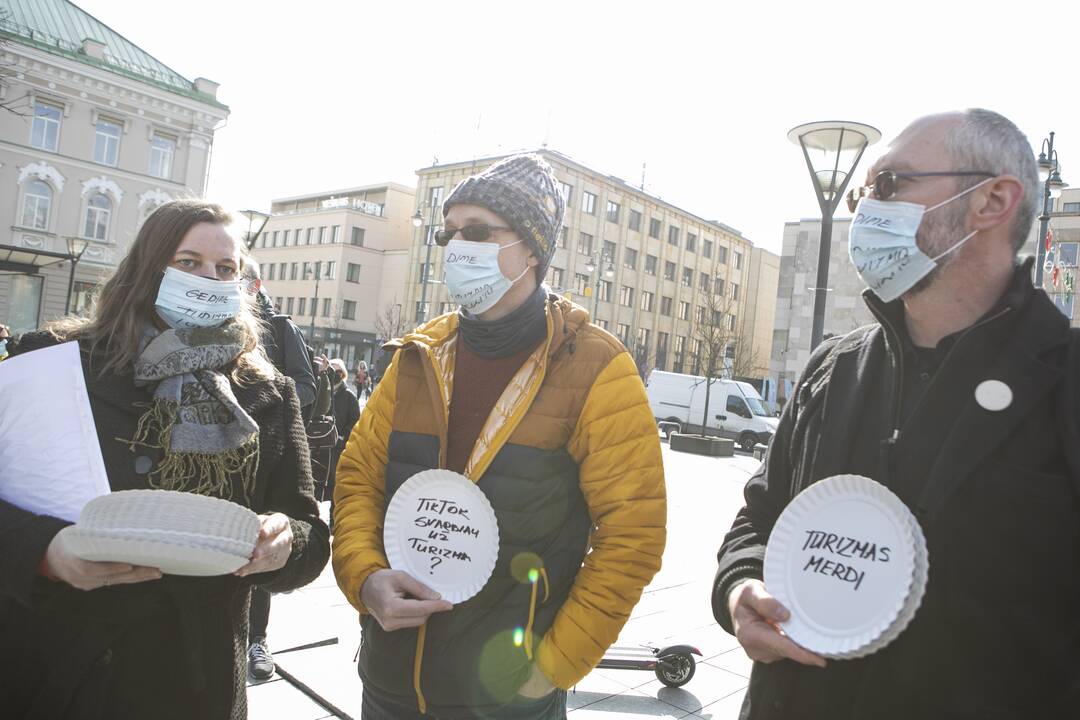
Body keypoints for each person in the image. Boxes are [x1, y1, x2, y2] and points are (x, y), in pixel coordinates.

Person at [713, 109, 1080, 718]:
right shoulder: (834, 369)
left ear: (992, 200)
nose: (864, 211)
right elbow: (760, 515)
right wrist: (739, 588)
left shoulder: (1063, 382)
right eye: (861, 193)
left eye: (887, 186)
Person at [332, 154, 667, 719]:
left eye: (479, 231)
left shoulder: (596, 368)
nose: (457, 246)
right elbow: (358, 480)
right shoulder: (419, 357)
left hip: (506, 697)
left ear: (532, 249)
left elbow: (633, 536)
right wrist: (364, 579)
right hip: (390, 683)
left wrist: (550, 670)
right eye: (450, 233)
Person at [0, 200, 330, 719]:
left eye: (226, 269)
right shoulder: (54, 361)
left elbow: (309, 532)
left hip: (195, 682)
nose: (209, 278)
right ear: (147, 268)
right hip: (64, 666)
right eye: (189, 261)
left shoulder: (266, 392)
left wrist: (286, 542)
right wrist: (44, 551)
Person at [239, 261, 318, 680]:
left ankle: (256, 640)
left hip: (264, 445)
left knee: (263, 538)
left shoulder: (280, 327)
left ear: (255, 285)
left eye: (236, 277)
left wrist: (270, 399)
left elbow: (306, 385)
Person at [327, 358, 360, 531]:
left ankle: (333, 521)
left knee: (335, 484)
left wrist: (342, 437)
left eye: (338, 370)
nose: (335, 373)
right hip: (322, 447)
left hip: (339, 448)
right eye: (332, 369)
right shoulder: (323, 392)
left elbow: (356, 421)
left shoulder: (349, 396)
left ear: (344, 373)